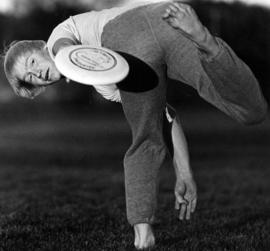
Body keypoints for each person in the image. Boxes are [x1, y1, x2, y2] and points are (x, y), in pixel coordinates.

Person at [3, 0, 268, 249]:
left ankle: (143, 233)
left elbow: (64, 49)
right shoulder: (104, 83)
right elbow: (164, 116)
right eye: (31, 77)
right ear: (36, 87)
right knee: (251, 111)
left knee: (144, 138)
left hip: (126, 32)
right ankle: (208, 44)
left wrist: (65, 55)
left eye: (32, 62)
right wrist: (184, 172)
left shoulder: (60, 38)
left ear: (40, 47)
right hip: (168, 19)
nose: (37, 73)